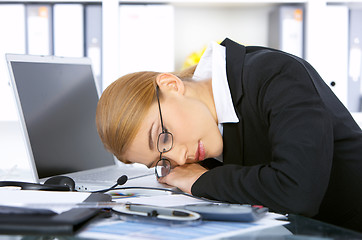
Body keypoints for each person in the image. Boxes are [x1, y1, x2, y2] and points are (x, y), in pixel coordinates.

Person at [96, 38, 362, 232]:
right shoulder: (204, 133)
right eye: (161, 161)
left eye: (163, 138)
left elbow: (297, 191)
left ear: (171, 85)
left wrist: (203, 180)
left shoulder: (274, 74)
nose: (180, 156)